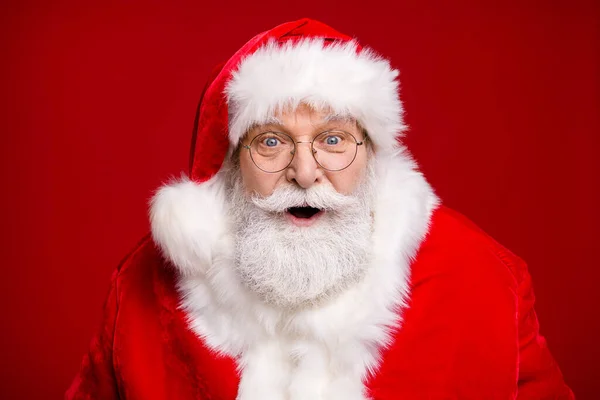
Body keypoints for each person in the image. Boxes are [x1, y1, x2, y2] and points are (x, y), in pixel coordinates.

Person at [66, 18, 573, 399]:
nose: (305, 173)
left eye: (333, 140)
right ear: (229, 166)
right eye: (271, 142)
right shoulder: (142, 287)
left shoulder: (485, 280)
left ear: (372, 155)